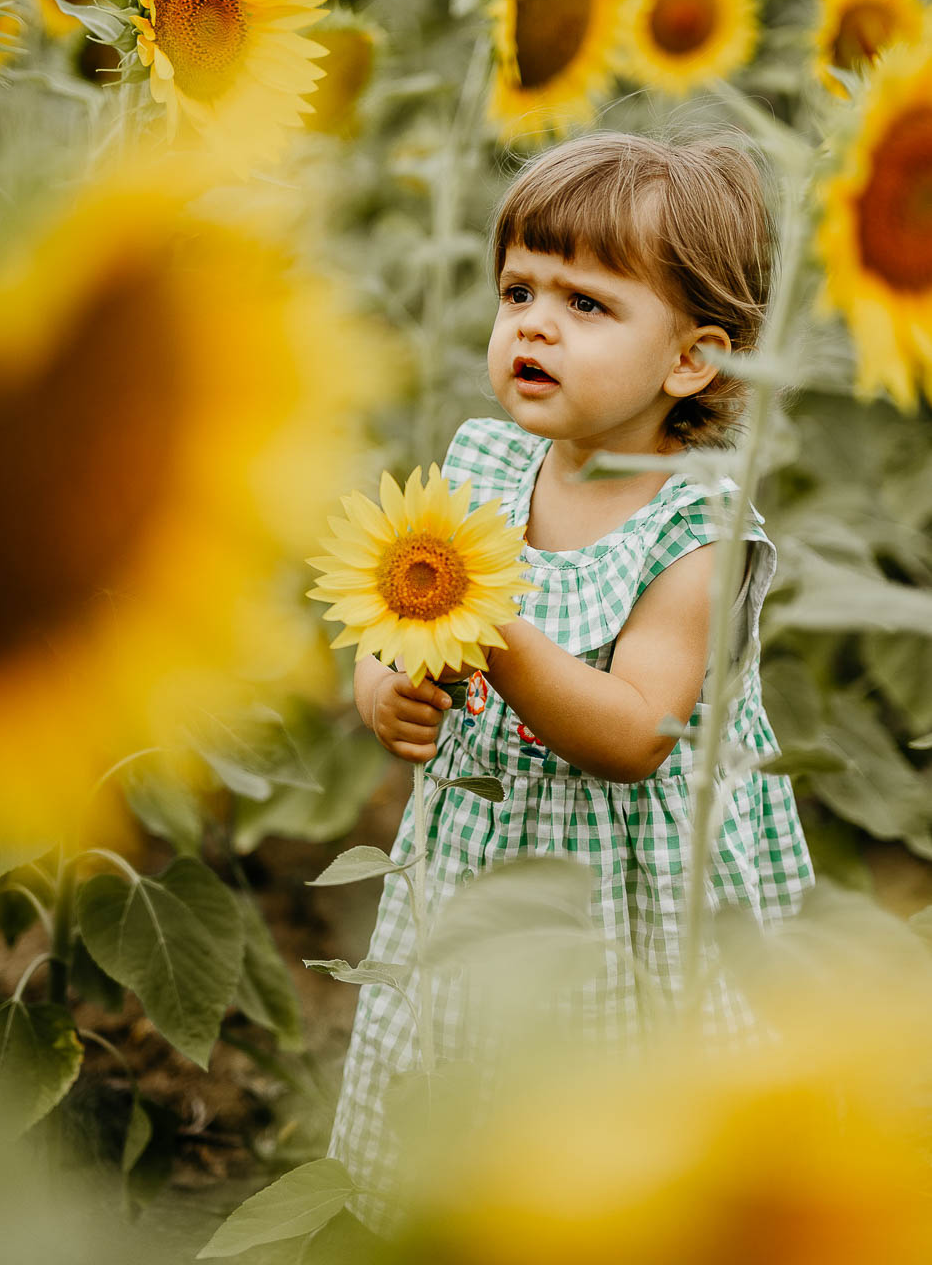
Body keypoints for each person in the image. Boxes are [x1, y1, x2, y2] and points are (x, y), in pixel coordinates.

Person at [327, 131, 814, 1236]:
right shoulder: (483, 463)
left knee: (609, 1118)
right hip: (476, 860)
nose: (533, 324)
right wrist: (382, 683)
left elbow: (638, 729)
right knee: (464, 1081)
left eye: (586, 305)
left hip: (619, 894)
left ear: (692, 360)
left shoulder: (696, 528)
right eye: (518, 289)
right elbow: (395, 614)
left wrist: (490, 623)